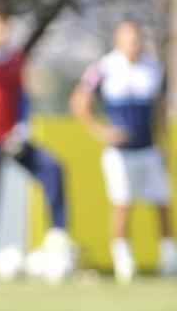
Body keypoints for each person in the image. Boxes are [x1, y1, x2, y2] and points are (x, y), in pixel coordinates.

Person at [0, 1, 72, 280]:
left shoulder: (15, 58)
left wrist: (21, 128)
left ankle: (58, 236)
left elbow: (22, 96)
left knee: (52, 169)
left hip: (12, 138)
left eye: (5, 26)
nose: (1, 31)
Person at [69, 19, 177, 282]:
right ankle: (123, 261)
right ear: (118, 40)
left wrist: (162, 143)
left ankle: (169, 258)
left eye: (137, 38)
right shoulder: (104, 67)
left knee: (162, 202)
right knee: (123, 204)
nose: (133, 44)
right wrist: (101, 131)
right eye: (128, 39)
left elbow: (160, 109)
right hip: (119, 152)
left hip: (149, 148)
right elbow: (79, 101)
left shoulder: (154, 67)